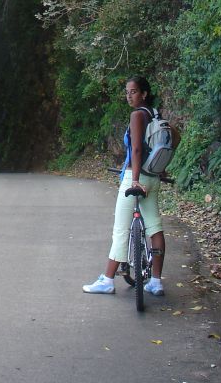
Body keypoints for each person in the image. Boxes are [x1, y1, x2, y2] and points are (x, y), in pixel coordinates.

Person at [82, 75, 166, 296]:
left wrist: (135, 178)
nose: (129, 96)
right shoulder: (155, 114)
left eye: (134, 92)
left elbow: (137, 149)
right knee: (154, 227)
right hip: (153, 177)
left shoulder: (137, 115)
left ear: (144, 93)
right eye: (127, 92)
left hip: (134, 176)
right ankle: (156, 282)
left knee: (121, 228)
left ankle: (108, 280)